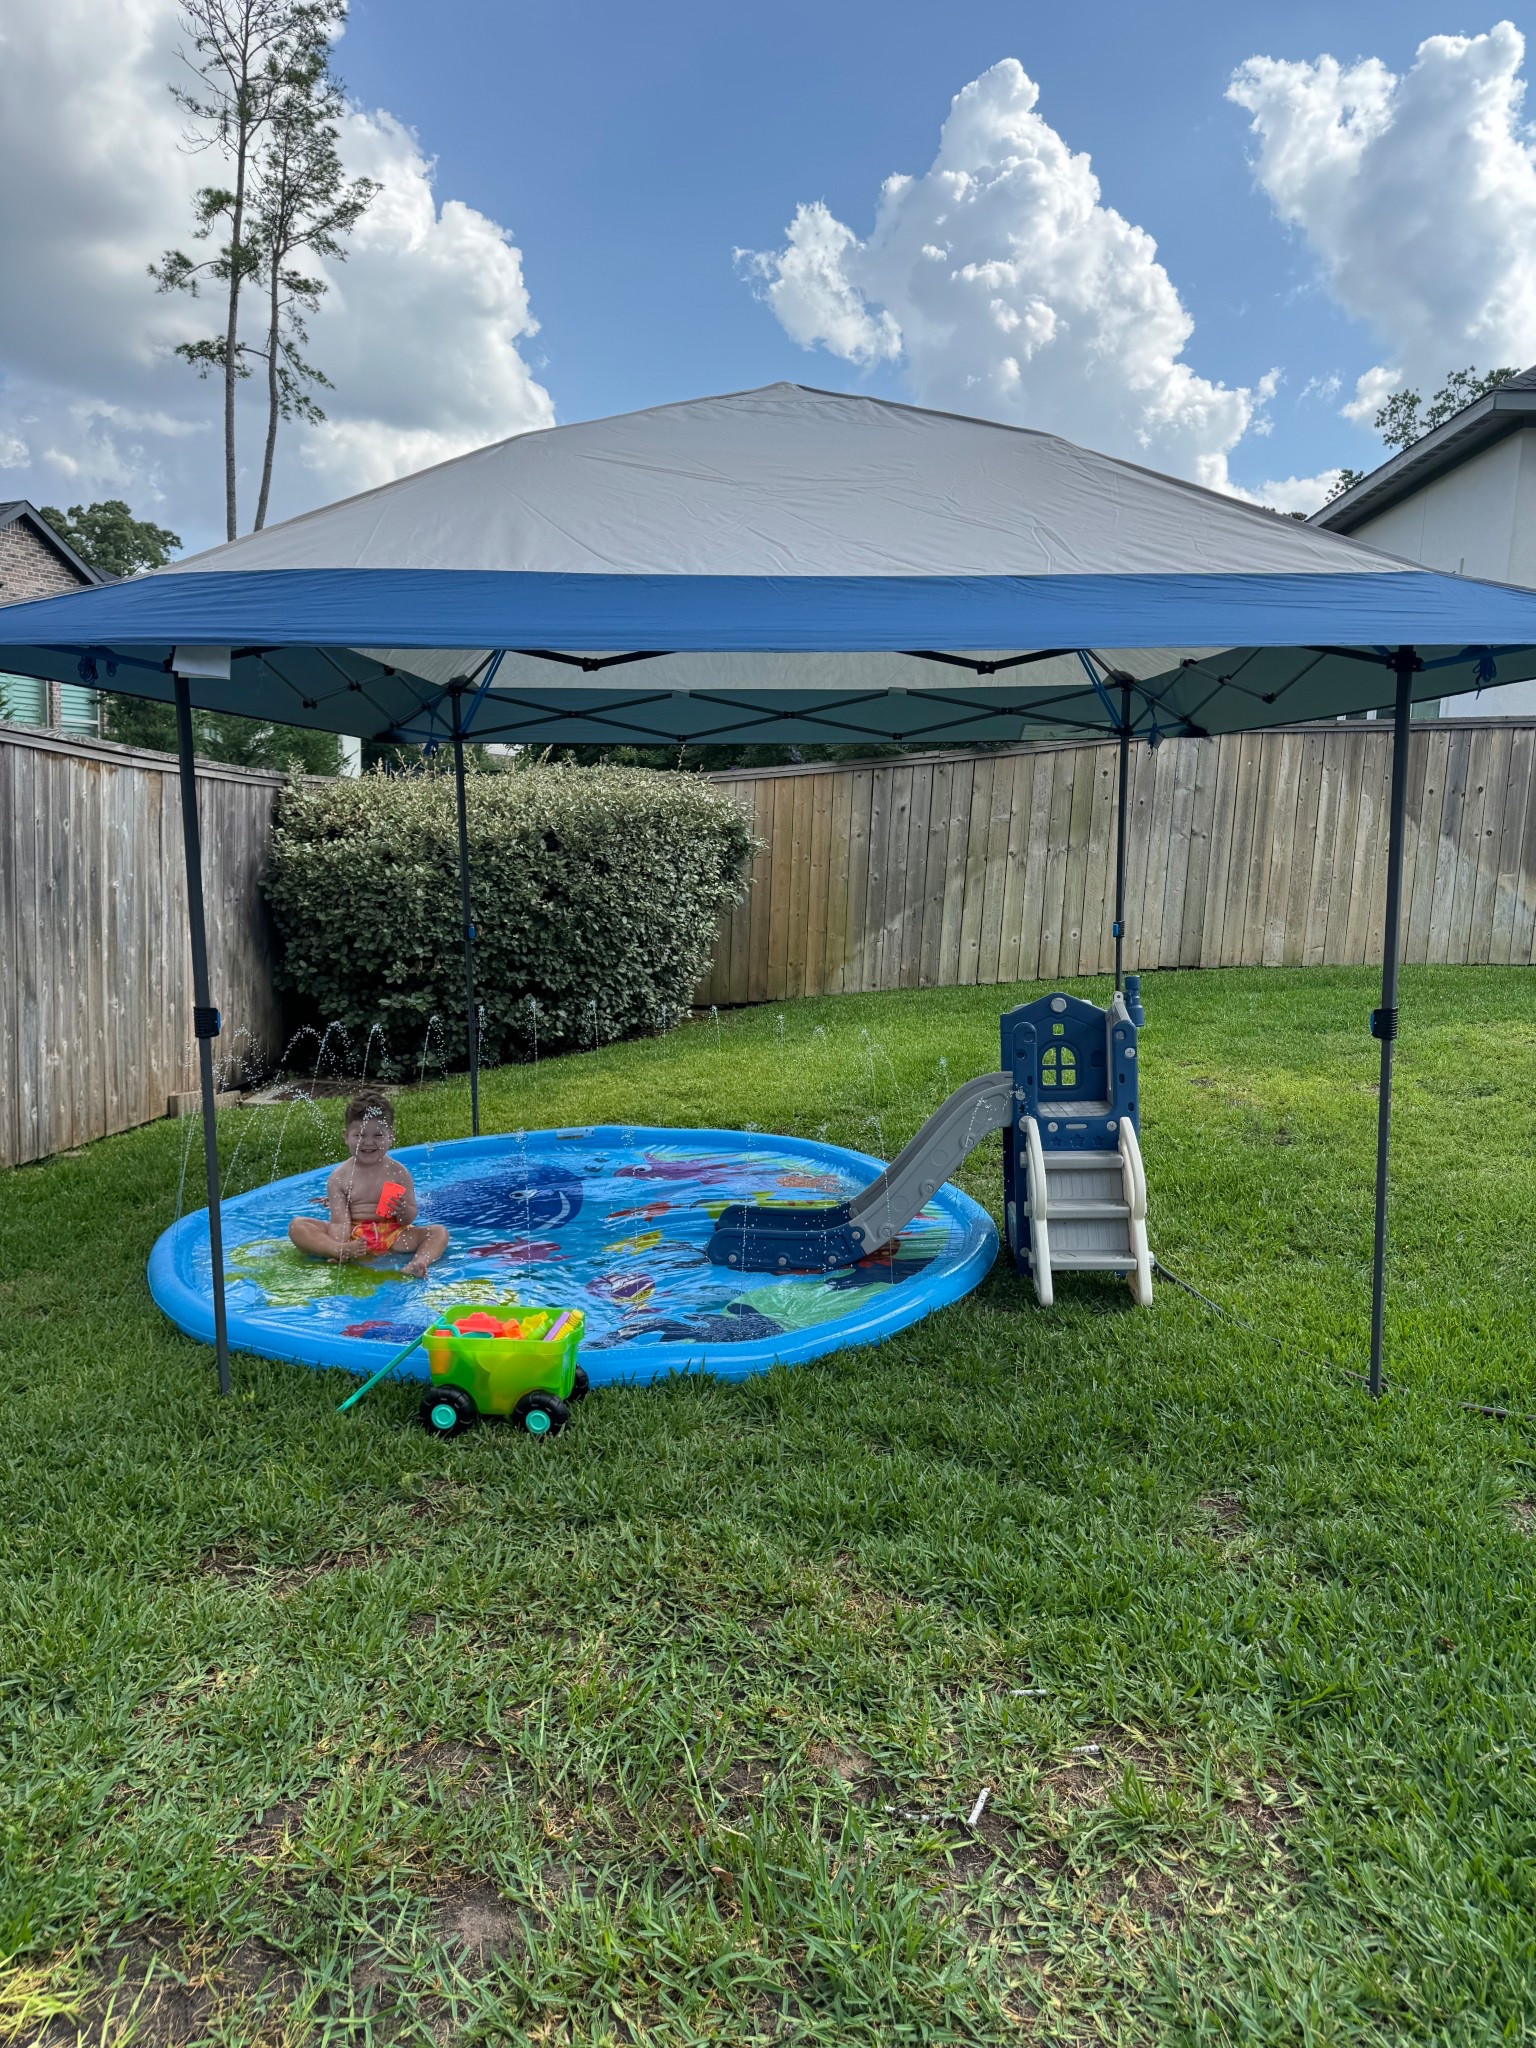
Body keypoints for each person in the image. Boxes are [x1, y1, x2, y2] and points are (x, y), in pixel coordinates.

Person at [288, 1088, 448, 1279]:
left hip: (394, 1236)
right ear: (346, 1136)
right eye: (360, 1136)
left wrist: (403, 1211)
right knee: (297, 1226)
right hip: (355, 1237)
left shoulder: (399, 1172)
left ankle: (417, 1263)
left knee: (438, 1232)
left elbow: (409, 1217)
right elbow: (340, 1221)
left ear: (391, 1136)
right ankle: (338, 1251)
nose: (369, 1142)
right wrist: (341, 1244)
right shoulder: (340, 1177)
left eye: (378, 1135)